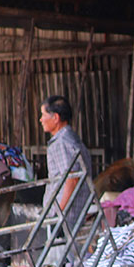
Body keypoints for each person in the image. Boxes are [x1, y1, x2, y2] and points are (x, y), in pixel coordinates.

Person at [39, 95, 94, 254]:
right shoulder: (71, 138)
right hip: (72, 211)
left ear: (55, 118)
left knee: (63, 258)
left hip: (66, 213)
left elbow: (72, 179)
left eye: (43, 115)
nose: (40, 120)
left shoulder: (61, 142)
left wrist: (59, 214)